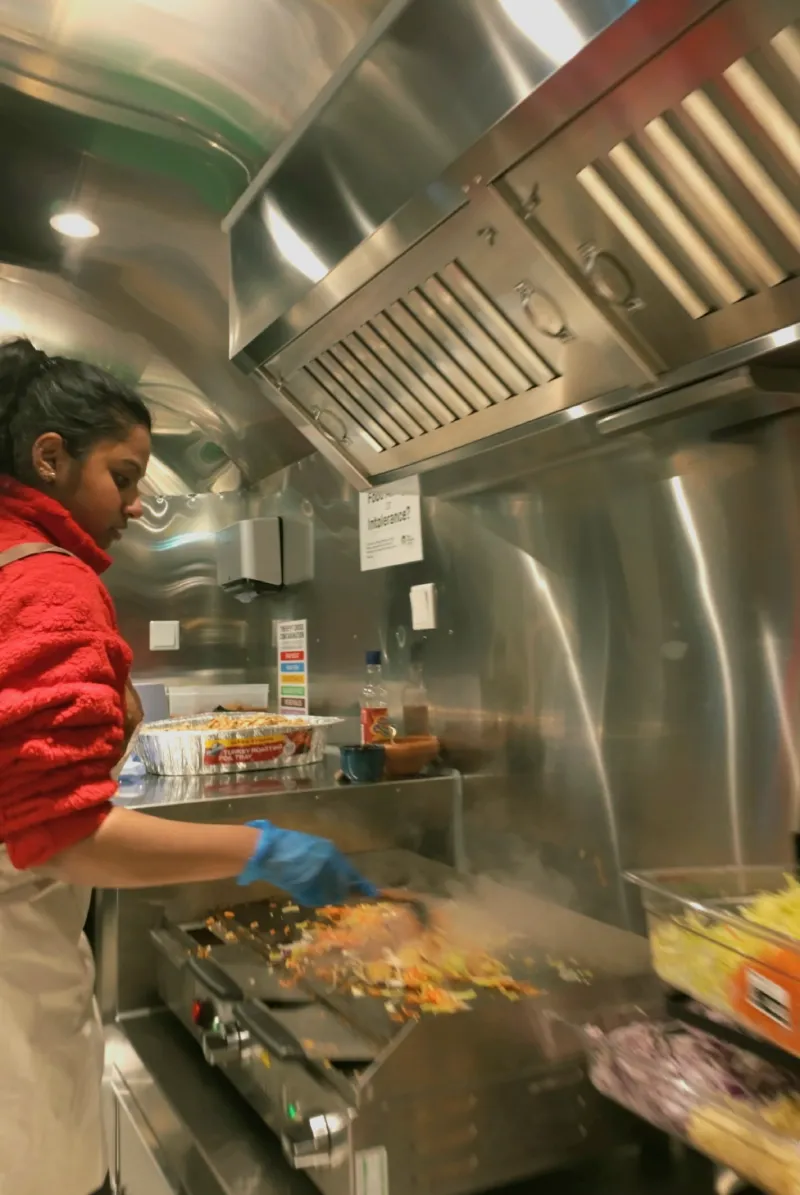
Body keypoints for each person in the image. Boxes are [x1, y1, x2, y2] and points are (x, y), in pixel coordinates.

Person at [0, 338, 376, 1195]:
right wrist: (263, 848)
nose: (135, 504)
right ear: (49, 457)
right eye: (124, 475)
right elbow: (63, 837)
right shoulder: (46, 580)